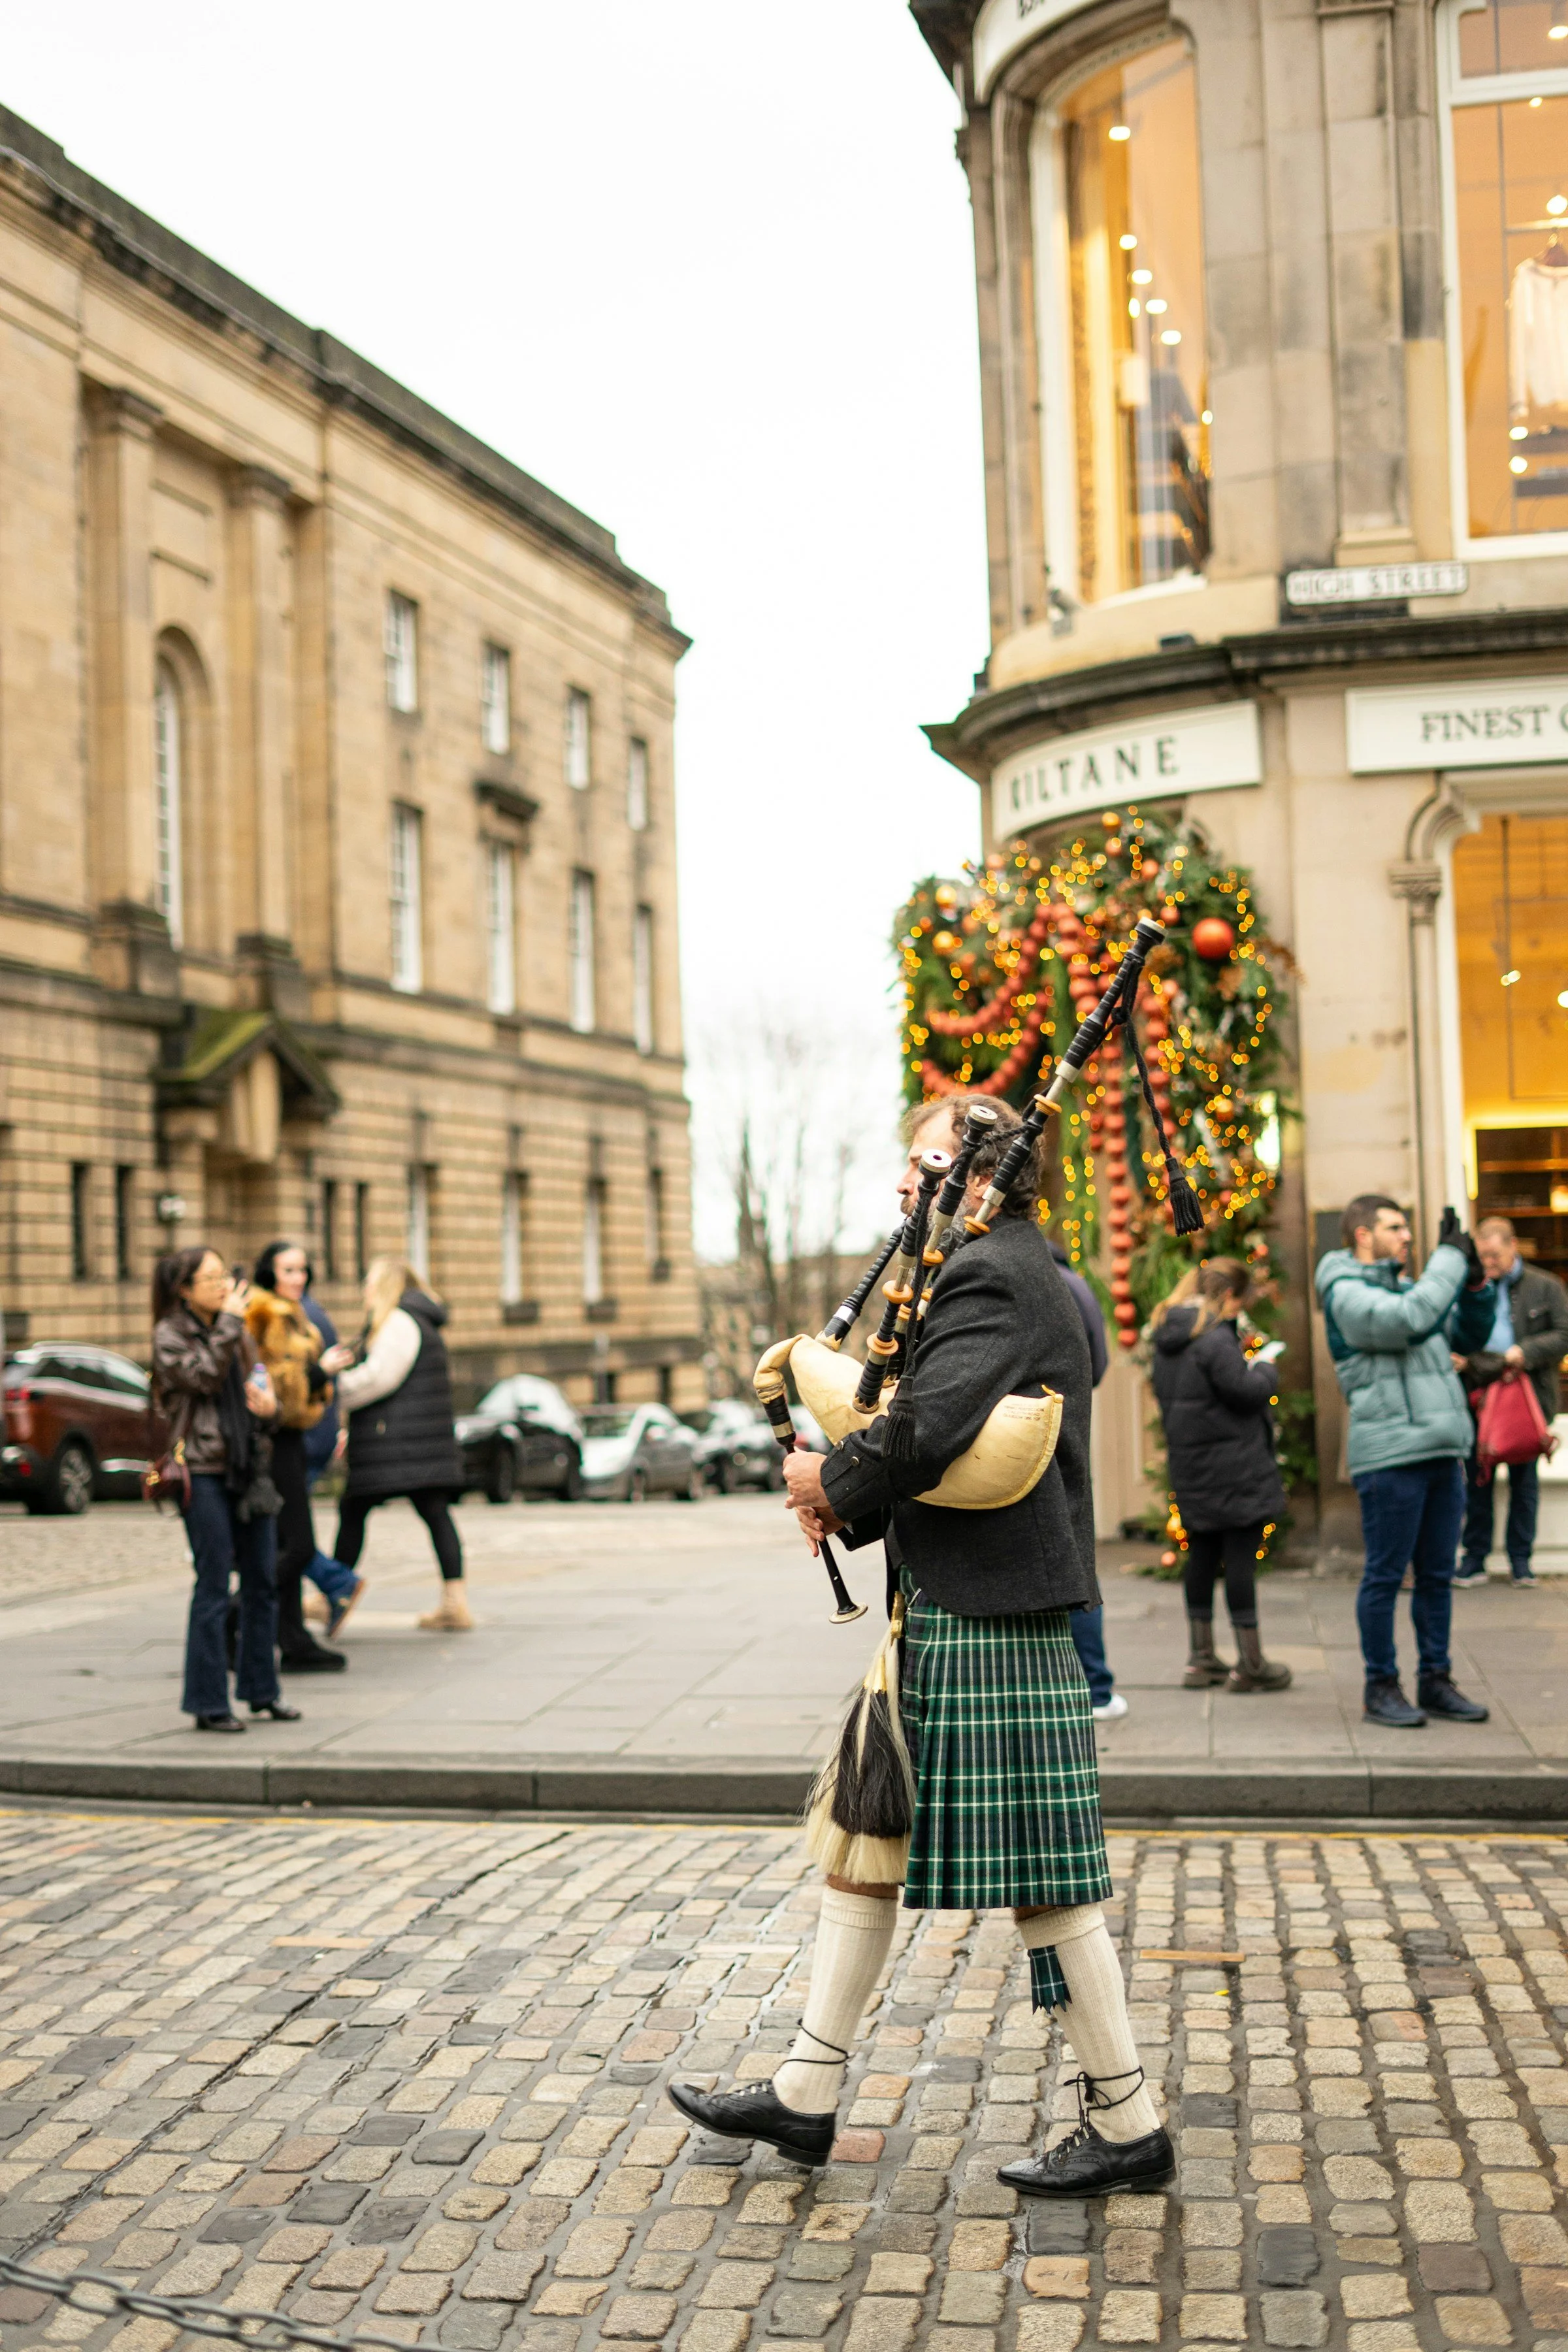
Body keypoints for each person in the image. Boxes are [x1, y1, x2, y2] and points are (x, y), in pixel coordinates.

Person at [669, 1093, 1173, 2198]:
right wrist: (849, 1508)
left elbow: (922, 1429)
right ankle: (806, 2093)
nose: (904, 1183)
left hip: (993, 1612)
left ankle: (1130, 2120)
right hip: (951, 1601)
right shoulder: (989, 1266)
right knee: (863, 1828)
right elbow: (932, 1442)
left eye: (922, 1163)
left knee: (1047, 1879)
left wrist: (825, 1478)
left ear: (978, 1178)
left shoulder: (997, 1273)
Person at [1315, 1198, 1495, 1728]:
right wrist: (1450, 1260)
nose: (1407, 1236)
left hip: (1442, 1449)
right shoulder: (1344, 1291)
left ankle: (1436, 1681)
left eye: (1409, 1228)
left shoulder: (1410, 1284)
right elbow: (1409, 1321)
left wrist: (1476, 1284)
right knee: (1386, 1576)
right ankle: (1381, 1687)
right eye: (1396, 1227)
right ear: (1363, 1235)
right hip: (1391, 1456)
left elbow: (1468, 1336)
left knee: (1438, 1576)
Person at [150, 1244, 297, 1733]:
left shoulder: (236, 1333)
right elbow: (204, 1380)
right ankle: (208, 1701)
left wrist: (270, 1407)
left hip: (248, 1468)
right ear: (186, 1289)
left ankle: (262, 1690)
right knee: (214, 1585)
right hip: (203, 1469)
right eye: (211, 1278)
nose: (224, 1286)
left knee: (262, 1581)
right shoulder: (171, 1334)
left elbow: (259, 1387)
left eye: (223, 1277)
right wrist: (232, 1327)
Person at [1149, 1259, 1292, 1693]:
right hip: (1234, 1469)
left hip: (1192, 1468)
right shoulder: (1213, 1340)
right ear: (1229, 1296)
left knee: (1203, 1557)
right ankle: (1251, 1663)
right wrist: (1265, 1367)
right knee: (1240, 1561)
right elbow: (1246, 1392)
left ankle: (1201, 1659)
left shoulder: (1169, 1338)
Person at [331, 1257, 470, 1630]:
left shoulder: (399, 1322)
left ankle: (334, 1591)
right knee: (434, 1512)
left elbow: (379, 1378)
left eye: (369, 1283)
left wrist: (333, 1389)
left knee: (354, 1508)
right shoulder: (420, 1321)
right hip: (417, 1442)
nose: (365, 1291)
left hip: (394, 1441)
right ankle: (454, 1602)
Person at [247, 1241, 361, 1671]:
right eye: (289, 1270)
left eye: (302, 1270)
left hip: (293, 1437)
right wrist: (321, 1372)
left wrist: (321, 1375)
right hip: (273, 1439)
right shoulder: (265, 1314)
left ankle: (292, 1638)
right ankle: (236, 1614)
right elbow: (276, 1386)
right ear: (269, 1273)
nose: (299, 1278)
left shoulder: (293, 1313)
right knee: (296, 1547)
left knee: (286, 1543)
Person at [1452, 1216, 1568, 1589]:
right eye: (1482, 1256)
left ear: (1513, 1245)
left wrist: (1526, 1352)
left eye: (1494, 1255)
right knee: (1477, 1478)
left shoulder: (1545, 1286)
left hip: (1526, 1396)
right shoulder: (1469, 1286)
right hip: (1477, 1394)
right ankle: (1475, 1559)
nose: (1488, 1263)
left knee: (1524, 1481)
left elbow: (1564, 1336)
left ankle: (1521, 1561)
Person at [1049, 1235, 1126, 1723]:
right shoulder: (1078, 1285)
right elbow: (1097, 1365)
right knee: (1076, 1559)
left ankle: (1093, 1686)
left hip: (1032, 1435)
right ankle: (1096, 1687)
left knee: (1067, 1561)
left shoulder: (1041, 1284)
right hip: (1070, 1430)